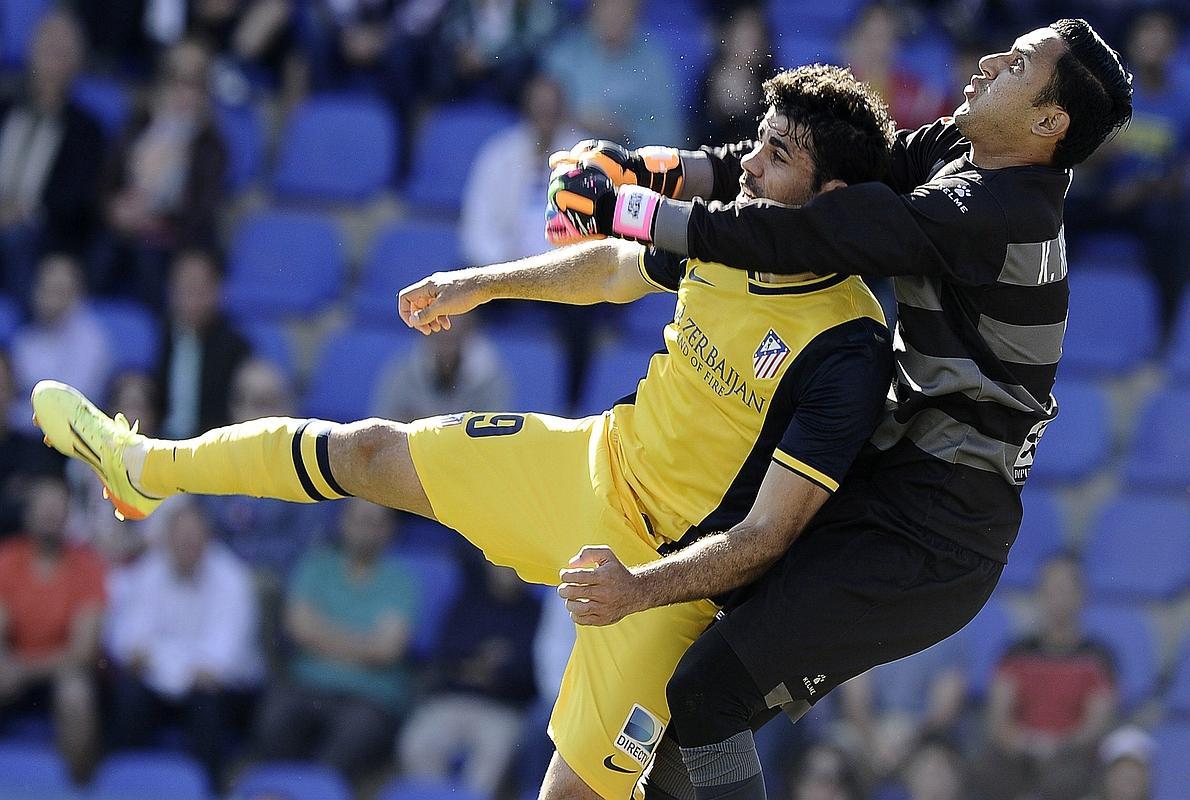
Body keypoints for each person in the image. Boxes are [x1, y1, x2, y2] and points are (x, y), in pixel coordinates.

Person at [32, 64, 898, 800]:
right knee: (370, 450)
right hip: (588, 465)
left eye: (775, 156)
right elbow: (611, 268)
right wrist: (483, 282)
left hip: (663, 582)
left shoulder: (848, 346)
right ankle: (145, 464)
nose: (746, 168)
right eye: (756, 142)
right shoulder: (730, 235)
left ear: (831, 198)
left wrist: (634, 589)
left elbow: (769, 535)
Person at [545, 17, 1132, 799]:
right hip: (898, 484)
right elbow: (814, 174)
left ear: (1048, 122)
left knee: (706, 696)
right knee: (693, 689)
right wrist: (653, 168)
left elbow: (815, 233)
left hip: (933, 536)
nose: (990, 61)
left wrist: (632, 210)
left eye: (1019, 63)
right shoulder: (965, 154)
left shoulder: (1001, 213)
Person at [253, 499, 420, 783]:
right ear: (343, 523)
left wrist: (322, 637)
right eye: (359, 521)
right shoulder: (316, 564)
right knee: (274, 721)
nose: (365, 531)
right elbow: (297, 627)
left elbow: (387, 650)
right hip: (307, 684)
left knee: (351, 742)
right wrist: (362, 644)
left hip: (369, 696)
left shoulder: (401, 580)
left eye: (374, 523)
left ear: (389, 530)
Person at [107, 499, 263, 791]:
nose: (188, 545)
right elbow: (129, 640)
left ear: (209, 538)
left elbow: (219, 661)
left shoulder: (232, 579)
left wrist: (159, 659)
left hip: (220, 690)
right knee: (129, 697)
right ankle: (124, 788)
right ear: (167, 540)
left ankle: (210, 789)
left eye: (195, 538)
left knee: (207, 703)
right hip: (164, 681)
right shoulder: (150, 571)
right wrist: (163, 663)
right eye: (180, 539)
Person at [975, 554, 1117, 800]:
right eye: (1049, 589)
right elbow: (998, 717)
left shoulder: (1098, 657)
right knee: (983, 770)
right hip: (1019, 753)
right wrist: (1025, 743)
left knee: (1066, 780)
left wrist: (1058, 745)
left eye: (1064, 589)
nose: (1057, 599)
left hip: (1072, 757)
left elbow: (1095, 724)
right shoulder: (1015, 653)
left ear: (1081, 596)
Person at [398, 556, 542, 795]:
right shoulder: (466, 601)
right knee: (417, 745)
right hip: (452, 700)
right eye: (501, 562)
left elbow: (528, 670)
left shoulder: (534, 614)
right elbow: (445, 652)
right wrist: (488, 665)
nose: (506, 570)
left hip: (502, 708)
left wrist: (481, 667)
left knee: (492, 756)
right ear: (488, 562)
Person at [0, 475, 105, 783]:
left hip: (63, 672)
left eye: (58, 507)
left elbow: (83, 653)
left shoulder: (87, 566)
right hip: (14, 667)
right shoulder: (7, 560)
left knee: (76, 697)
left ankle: (75, 787)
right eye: (43, 507)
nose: (50, 515)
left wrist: (21, 669)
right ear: (28, 513)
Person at [0, 9, 104, 303]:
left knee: (16, 240)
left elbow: (77, 200)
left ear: (77, 61)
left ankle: (25, 330)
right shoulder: (4, 109)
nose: (52, 54)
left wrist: (22, 212)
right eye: (46, 44)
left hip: (40, 232)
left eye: (62, 49)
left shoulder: (86, 130)